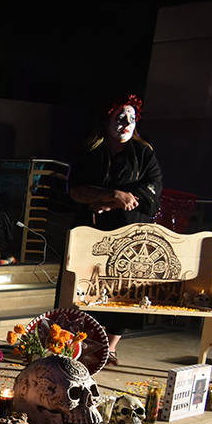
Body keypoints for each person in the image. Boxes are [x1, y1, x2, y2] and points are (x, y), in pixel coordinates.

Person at [69, 94, 163, 364]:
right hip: (91, 233)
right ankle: (81, 344)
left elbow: (151, 193)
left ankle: (110, 347)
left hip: (128, 234)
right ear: (107, 119)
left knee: (123, 291)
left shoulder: (144, 153)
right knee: (87, 286)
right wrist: (112, 194)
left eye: (132, 119)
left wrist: (112, 203)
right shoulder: (90, 150)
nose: (126, 124)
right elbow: (76, 189)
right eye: (120, 118)